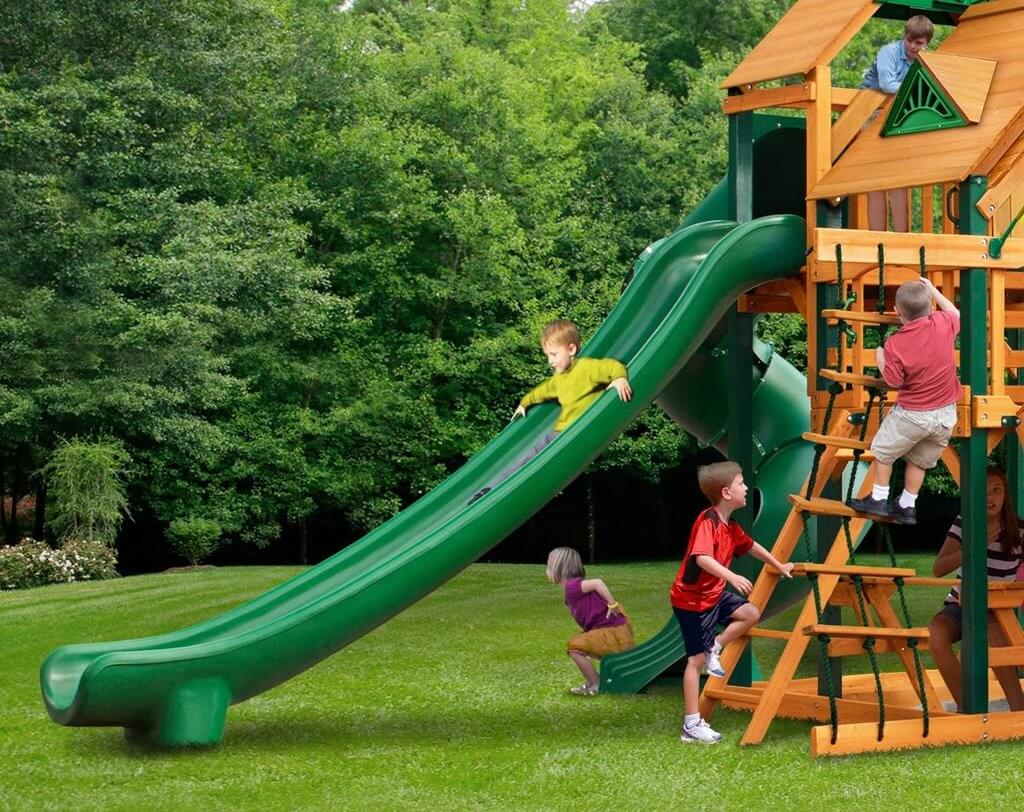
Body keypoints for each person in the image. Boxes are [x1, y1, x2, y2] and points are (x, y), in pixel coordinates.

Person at [669, 461, 794, 743]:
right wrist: (732, 576)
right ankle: (691, 724)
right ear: (726, 492)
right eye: (741, 483)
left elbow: (752, 547)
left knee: (750, 612)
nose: (746, 487)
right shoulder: (708, 521)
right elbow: (701, 558)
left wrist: (779, 564)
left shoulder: (730, 526)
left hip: (712, 595)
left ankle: (717, 644)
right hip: (693, 601)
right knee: (695, 661)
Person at [469, 319, 631, 503]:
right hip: (558, 433)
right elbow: (542, 391)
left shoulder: (587, 368)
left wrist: (619, 379)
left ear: (571, 350)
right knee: (527, 456)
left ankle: (498, 490)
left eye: (553, 355)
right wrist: (524, 403)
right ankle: (492, 487)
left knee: (534, 462)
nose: (550, 361)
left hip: (574, 432)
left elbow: (611, 367)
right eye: (548, 356)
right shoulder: (559, 379)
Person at [848, 277, 961, 525]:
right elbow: (954, 311)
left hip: (914, 415)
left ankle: (878, 498)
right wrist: (933, 290)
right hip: (945, 416)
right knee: (919, 461)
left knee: (882, 451)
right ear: (931, 308)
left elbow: (893, 380)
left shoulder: (896, 344)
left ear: (897, 313)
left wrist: (880, 357)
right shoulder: (942, 324)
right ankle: (907, 506)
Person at [927, 467, 1024, 712]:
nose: (989, 497)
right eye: (984, 491)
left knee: (994, 637)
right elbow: (938, 568)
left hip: (997, 610)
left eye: (996, 490)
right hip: (961, 604)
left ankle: (1019, 709)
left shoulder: (1019, 531)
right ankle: (968, 707)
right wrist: (974, 545)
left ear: (1005, 496)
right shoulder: (965, 523)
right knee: (935, 633)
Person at [861, 15, 934, 232]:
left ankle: (902, 236)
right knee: (875, 178)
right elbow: (887, 84)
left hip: (898, 117)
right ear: (905, 37)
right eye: (909, 40)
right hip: (872, 113)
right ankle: (877, 235)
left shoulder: (926, 59)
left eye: (919, 43)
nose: (912, 46)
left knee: (899, 178)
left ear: (926, 43)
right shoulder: (889, 52)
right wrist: (916, 87)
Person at [546, 546, 635, 696]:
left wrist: (612, 604)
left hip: (610, 629)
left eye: (548, 566)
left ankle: (596, 684)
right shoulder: (572, 587)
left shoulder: (572, 586)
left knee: (575, 649)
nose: (547, 570)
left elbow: (598, 583)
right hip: (611, 627)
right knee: (579, 647)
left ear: (558, 568)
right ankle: (591, 682)